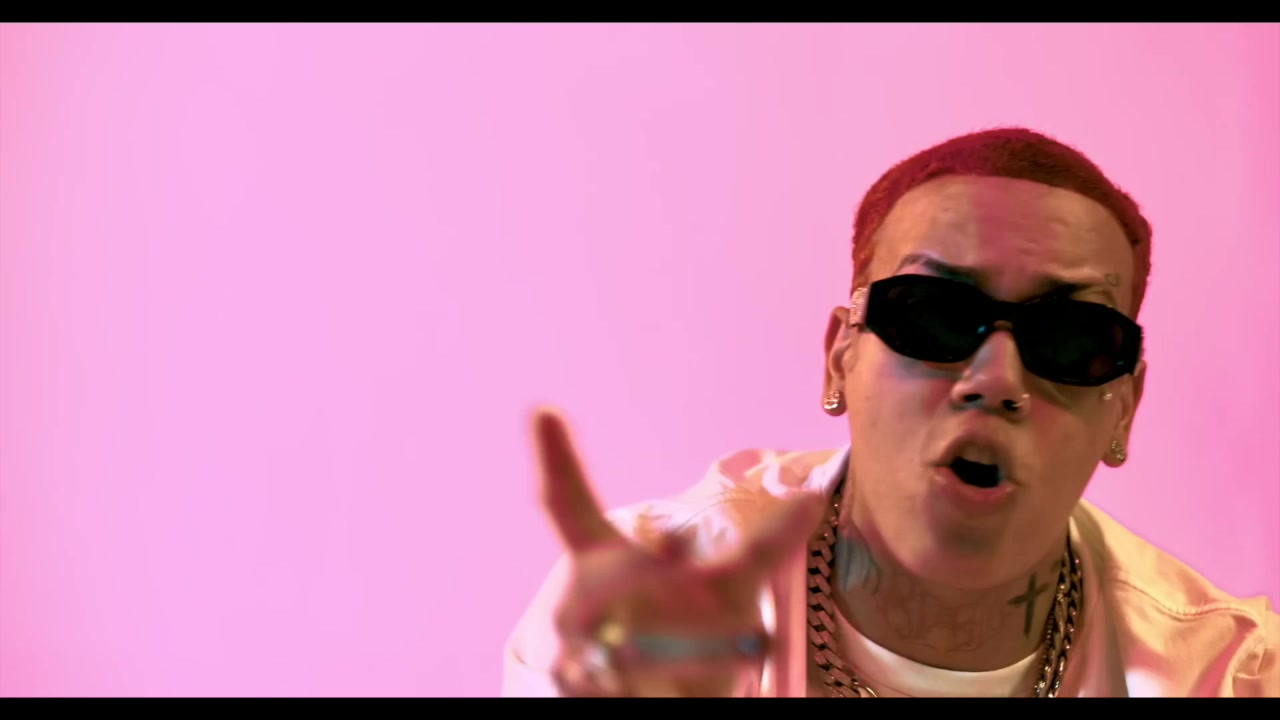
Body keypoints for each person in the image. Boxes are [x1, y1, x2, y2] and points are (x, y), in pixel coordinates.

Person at [501, 127, 1280, 697]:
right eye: (933, 315)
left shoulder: (1227, 675)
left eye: (1071, 339)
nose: (994, 379)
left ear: (1124, 411)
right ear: (841, 356)